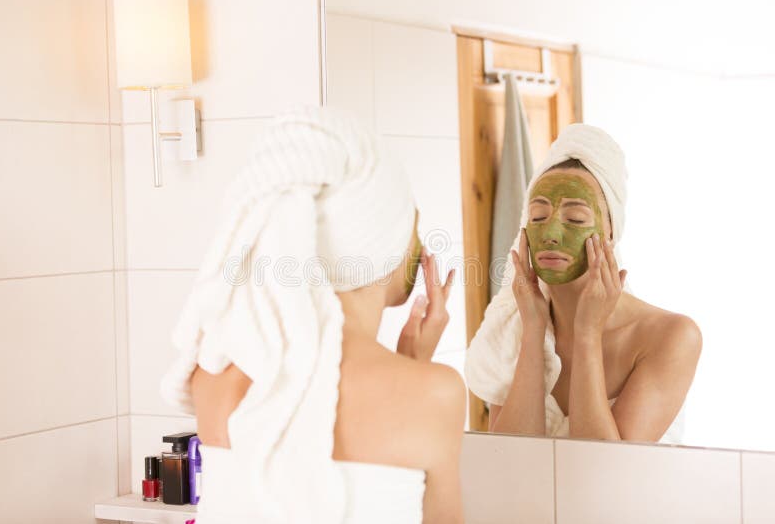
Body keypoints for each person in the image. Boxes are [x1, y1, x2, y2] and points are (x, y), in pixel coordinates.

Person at [160, 106, 466, 523]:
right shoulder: (433, 394)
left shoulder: (212, 374)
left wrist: (410, 365)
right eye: (412, 222)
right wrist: (415, 371)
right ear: (384, 243)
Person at [465, 124, 701, 443]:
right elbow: (511, 464)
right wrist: (533, 330)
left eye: (575, 219)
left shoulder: (671, 337)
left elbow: (603, 472)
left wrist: (587, 332)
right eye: (537, 217)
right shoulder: (514, 327)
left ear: (611, 233)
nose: (550, 233)